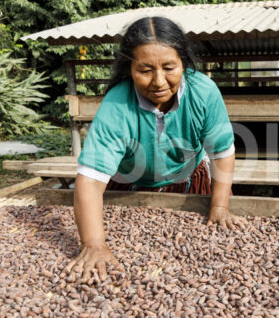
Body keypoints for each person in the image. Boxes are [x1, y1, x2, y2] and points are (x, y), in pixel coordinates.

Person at [60, 16, 245, 283]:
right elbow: (90, 179)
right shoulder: (117, 104)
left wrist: (218, 206)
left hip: (189, 180)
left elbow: (222, 153)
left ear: (184, 63)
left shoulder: (203, 92)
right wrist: (94, 244)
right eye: (145, 70)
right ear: (129, 69)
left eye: (169, 67)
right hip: (128, 185)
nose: (159, 82)